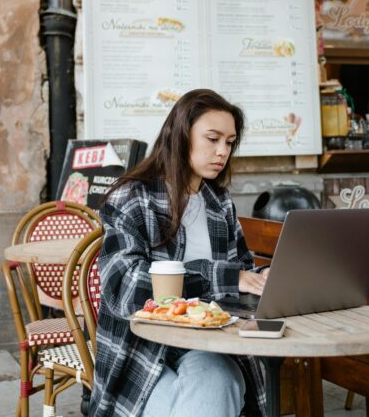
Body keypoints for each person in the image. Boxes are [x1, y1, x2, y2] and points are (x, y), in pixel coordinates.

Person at [90, 89, 269, 417]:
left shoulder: (219, 204)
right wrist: (222, 277)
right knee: (212, 398)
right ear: (180, 135)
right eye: (212, 139)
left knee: (220, 383)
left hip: (207, 342)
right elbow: (124, 287)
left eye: (229, 142)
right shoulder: (134, 196)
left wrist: (262, 278)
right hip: (141, 348)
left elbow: (240, 271)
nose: (222, 151)